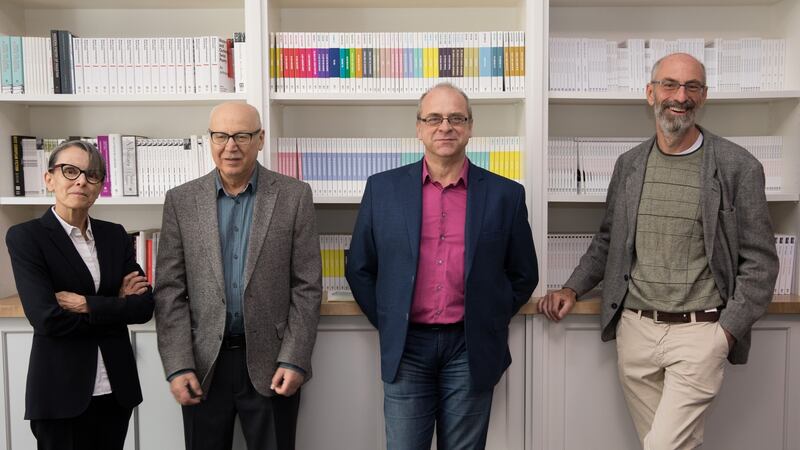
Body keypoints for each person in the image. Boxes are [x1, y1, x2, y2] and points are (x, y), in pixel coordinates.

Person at [538, 53, 779, 449]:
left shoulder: (739, 166)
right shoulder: (629, 165)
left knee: (663, 445)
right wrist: (571, 288)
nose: (679, 96)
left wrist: (726, 334)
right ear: (650, 93)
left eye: (692, 87)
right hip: (636, 333)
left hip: (701, 333)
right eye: (669, 85)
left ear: (704, 97)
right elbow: (607, 240)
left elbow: (760, 262)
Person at [345, 83, 539, 449]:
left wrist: (488, 317)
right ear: (418, 128)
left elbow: (523, 273)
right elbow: (360, 268)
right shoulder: (382, 190)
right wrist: (390, 319)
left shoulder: (506, 195)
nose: (445, 126)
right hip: (407, 349)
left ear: (470, 127)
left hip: (470, 347)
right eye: (433, 118)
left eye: (455, 118)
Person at [154, 101, 321, 450]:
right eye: (221, 136)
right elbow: (169, 291)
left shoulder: (294, 196)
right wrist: (178, 364)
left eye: (242, 136)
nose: (231, 146)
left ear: (260, 139)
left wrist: (294, 358)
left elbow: (306, 287)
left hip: (273, 364)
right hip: (203, 368)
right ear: (210, 140)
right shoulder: (181, 201)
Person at [6, 140, 154, 450]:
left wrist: (87, 304)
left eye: (92, 175)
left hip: (115, 389)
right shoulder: (26, 237)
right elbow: (47, 319)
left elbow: (143, 307)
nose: (81, 181)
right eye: (70, 171)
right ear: (50, 178)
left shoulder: (114, 235)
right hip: (61, 393)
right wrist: (116, 307)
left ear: (100, 185)